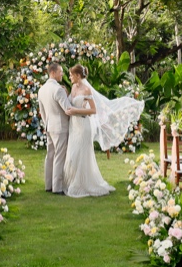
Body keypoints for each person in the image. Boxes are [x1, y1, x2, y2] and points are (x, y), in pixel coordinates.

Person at [63, 63, 144, 198]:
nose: (70, 77)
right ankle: (72, 181)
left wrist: (77, 111)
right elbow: (71, 103)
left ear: (78, 75)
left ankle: (83, 183)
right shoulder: (73, 87)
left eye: (71, 75)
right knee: (73, 153)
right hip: (74, 126)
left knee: (82, 154)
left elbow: (93, 110)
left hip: (84, 126)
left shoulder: (87, 90)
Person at [37, 62, 71, 194]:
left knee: (50, 155)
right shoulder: (58, 89)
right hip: (60, 127)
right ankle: (57, 187)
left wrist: (47, 124)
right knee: (59, 156)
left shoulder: (42, 89)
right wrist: (67, 95)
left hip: (49, 126)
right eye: (60, 71)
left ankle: (48, 185)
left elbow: (42, 111)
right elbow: (67, 108)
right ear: (53, 72)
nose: (62, 73)